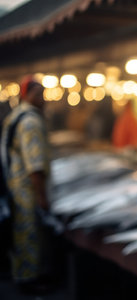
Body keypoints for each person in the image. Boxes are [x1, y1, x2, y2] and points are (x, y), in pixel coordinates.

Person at [1, 75, 52, 294]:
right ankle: (29, 280)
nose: (44, 98)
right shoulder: (30, 121)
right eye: (39, 94)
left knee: (21, 232)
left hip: (14, 184)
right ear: (28, 95)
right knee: (29, 234)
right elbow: (35, 165)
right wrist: (41, 196)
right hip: (26, 189)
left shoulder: (17, 116)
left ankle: (23, 275)